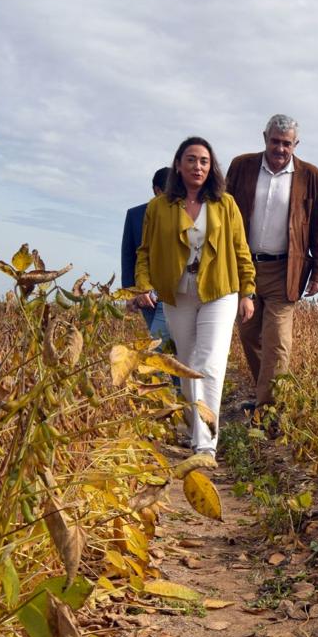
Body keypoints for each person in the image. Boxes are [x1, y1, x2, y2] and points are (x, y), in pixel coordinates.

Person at [133, 137, 255, 457]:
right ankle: (194, 427)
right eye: (191, 159)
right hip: (178, 294)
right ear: (178, 164)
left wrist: (248, 292)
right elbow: (144, 251)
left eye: (203, 161)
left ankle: (206, 443)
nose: (197, 166)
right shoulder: (158, 208)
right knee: (187, 365)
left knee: (208, 363)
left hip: (220, 289)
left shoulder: (225, 204)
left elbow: (241, 250)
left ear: (210, 167)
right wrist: (143, 285)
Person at [225, 115, 318, 410]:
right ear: (264, 138)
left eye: (287, 144)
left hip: (287, 270)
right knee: (249, 335)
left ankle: (270, 409)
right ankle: (264, 396)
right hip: (244, 267)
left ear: (295, 144)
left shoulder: (312, 177)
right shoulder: (241, 166)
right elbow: (223, 214)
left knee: (277, 341)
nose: (280, 149)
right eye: (275, 141)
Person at [122, 167, 172, 340]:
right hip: (144, 293)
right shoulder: (135, 214)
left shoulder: (183, 214)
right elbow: (128, 255)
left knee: (159, 345)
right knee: (159, 339)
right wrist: (129, 293)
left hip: (171, 293)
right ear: (157, 190)